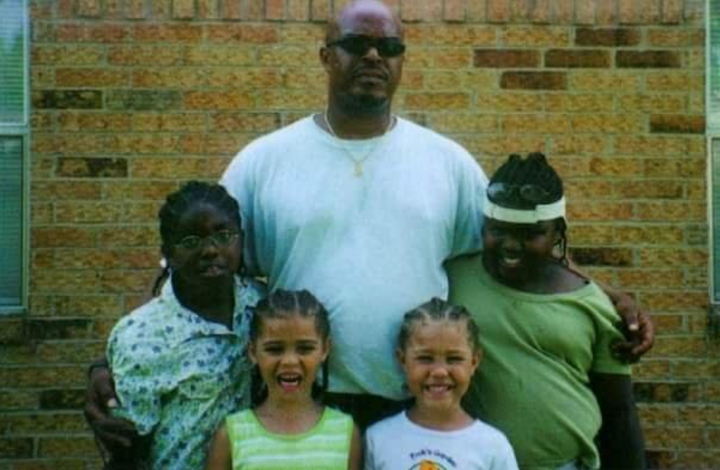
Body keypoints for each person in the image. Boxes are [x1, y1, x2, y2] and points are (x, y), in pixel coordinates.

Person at [85, 0, 654, 451]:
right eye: (356, 44)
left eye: (390, 46)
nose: (374, 57)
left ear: (404, 60)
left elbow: (514, 253)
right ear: (325, 56)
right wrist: (116, 363)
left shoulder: (447, 163)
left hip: (418, 403)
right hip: (296, 401)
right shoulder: (263, 161)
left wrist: (606, 298)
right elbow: (190, 267)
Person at [447, 153, 646, 470]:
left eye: (530, 235)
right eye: (498, 230)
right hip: (471, 462)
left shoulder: (590, 304)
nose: (511, 245)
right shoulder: (454, 281)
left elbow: (619, 410)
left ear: (558, 233)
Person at [102, 182, 266, 470]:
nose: (211, 249)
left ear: (241, 239)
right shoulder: (142, 336)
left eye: (224, 235)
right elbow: (127, 451)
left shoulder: (263, 309)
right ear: (169, 252)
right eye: (191, 241)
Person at [205, 289, 362, 470]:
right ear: (253, 352)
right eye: (274, 349)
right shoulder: (231, 435)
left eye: (304, 348)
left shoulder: (345, 433)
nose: (289, 361)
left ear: (325, 350)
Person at [364, 298, 519, 470]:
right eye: (425, 358)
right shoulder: (378, 439)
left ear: (474, 362)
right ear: (402, 360)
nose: (439, 372)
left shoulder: (493, 447)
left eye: (454, 359)